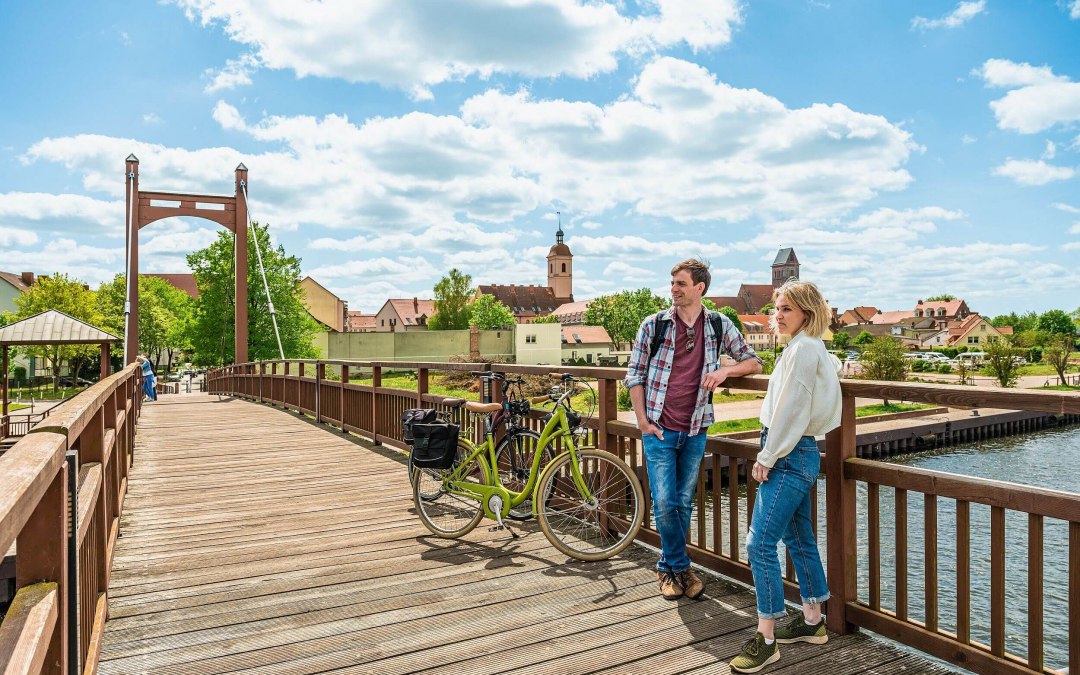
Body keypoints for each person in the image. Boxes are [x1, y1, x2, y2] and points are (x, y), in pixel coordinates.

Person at [624, 258, 763, 601]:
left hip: (696, 427)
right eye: (672, 283)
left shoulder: (718, 324)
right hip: (658, 427)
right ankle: (675, 568)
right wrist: (642, 421)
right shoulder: (653, 325)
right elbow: (635, 375)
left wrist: (724, 373)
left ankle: (673, 569)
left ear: (700, 288)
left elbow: (754, 360)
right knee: (665, 502)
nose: (673, 289)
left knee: (684, 501)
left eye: (680, 284)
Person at [729, 279, 841, 673]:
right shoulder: (810, 347)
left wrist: (768, 455)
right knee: (798, 537)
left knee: (759, 544)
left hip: (789, 453)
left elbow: (791, 410)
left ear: (806, 314)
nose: (777, 316)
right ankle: (812, 621)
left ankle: (767, 637)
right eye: (777, 309)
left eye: (786, 310)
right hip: (801, 451)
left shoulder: (803, 350)